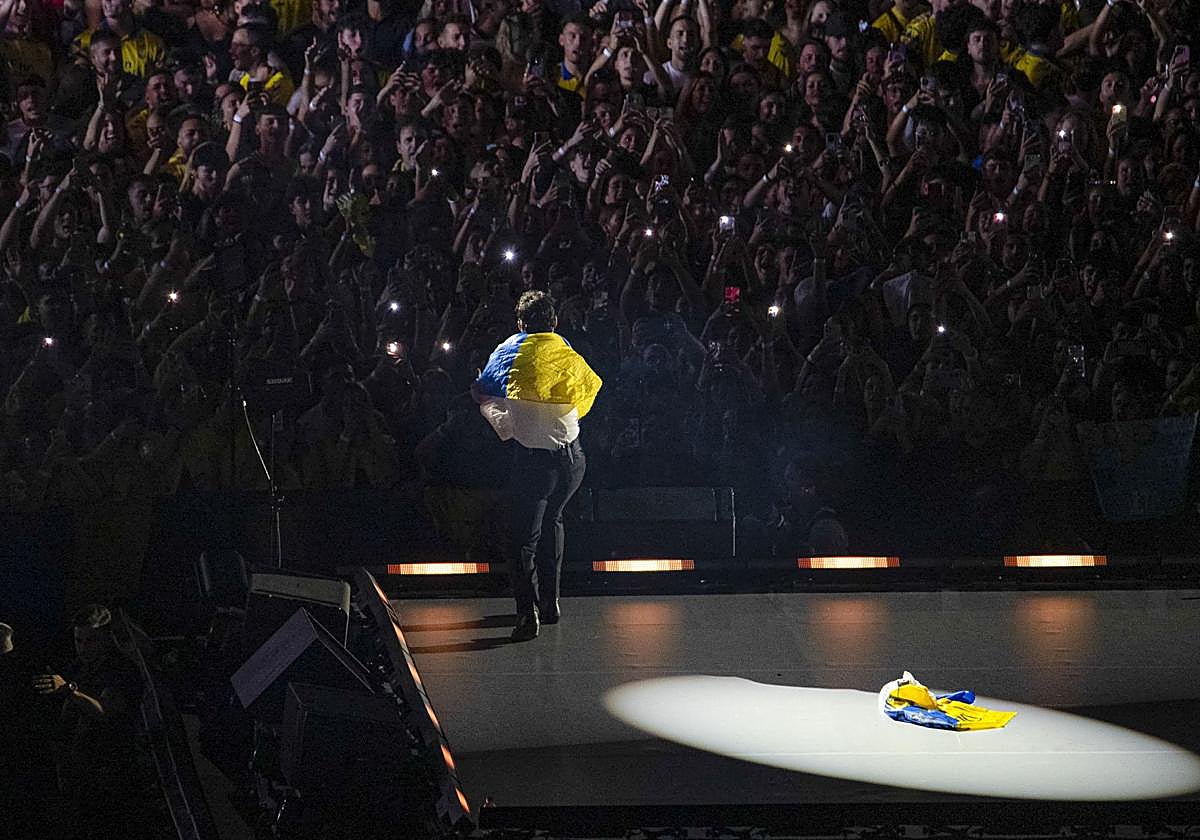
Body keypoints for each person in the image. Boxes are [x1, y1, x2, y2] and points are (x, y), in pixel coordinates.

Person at [474, 290, 602, 642]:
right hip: (574, 462)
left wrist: (502, 417)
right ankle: (551, 603)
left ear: (520, 324)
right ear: (554, 322)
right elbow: (588, 393)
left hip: (535, 465)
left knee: (520, 541)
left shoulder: (510, 350)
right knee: (553, 520)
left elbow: (484, 390)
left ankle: (525, 614)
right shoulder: (567, 353)